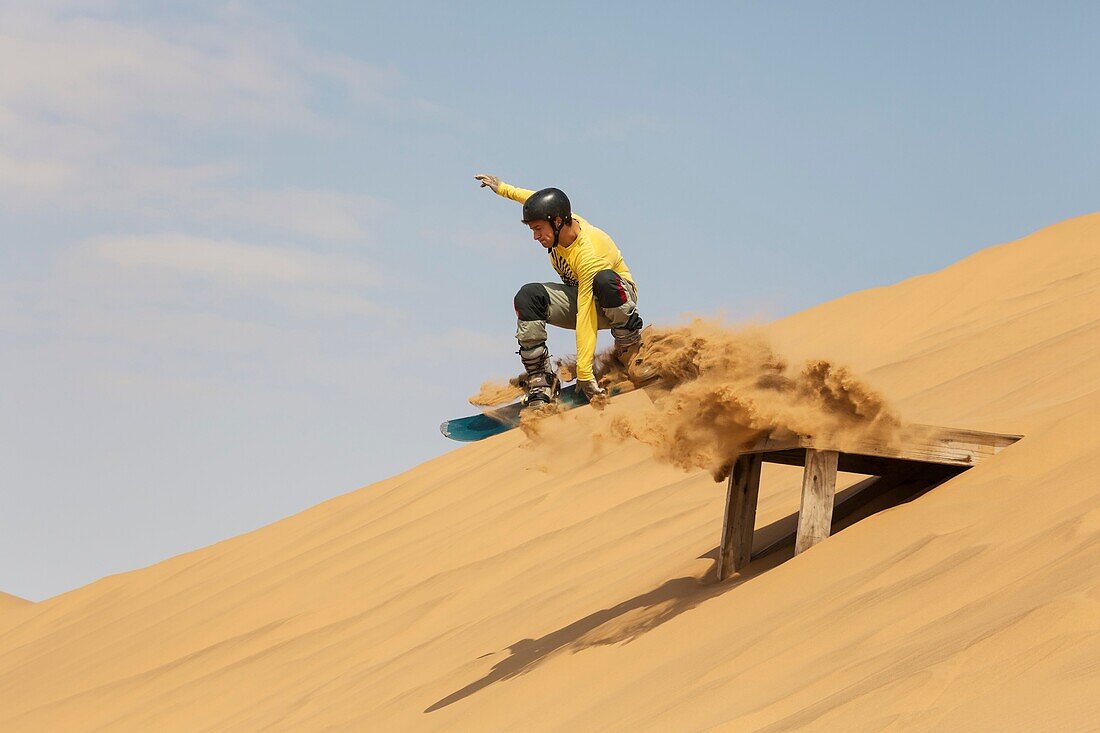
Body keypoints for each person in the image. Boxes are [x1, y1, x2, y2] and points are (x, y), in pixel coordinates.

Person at [474, 173, 654, 407]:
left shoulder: (588, 253)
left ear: (558, 222)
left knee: (604, 280)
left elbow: (586, 315)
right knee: (529, 296)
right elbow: (530, 198)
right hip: (580, 296)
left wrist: (585, 372)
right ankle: (541, 379)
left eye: (538, 229)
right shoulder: (559, 221)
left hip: (616, 299)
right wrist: (502, 188)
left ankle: (630, 351)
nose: (536, 237)